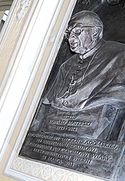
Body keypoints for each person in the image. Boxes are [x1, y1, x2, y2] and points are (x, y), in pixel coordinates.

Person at [38, 11, 125, 140]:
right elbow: (48, 101)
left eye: (77, 31)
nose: (71, 38)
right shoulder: (66, 66)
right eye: (68, 33)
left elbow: (119, 94)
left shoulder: (119, 54)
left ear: (95, 32)